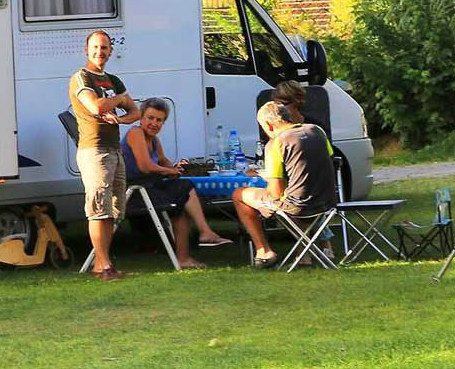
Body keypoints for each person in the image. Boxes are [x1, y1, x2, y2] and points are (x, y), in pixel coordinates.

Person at [124, 97, 232, 269]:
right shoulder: (135, 133)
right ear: (141, 118)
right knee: (184, 188)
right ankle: (205, 232)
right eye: (150, 118)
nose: (154, 123)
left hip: (150, 187)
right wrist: (168, 171)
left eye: (159, 120)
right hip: (136, 192)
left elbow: (162, 160)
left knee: (181, 200)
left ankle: (184, 257)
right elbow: (145, 166)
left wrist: (176, 167)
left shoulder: (154, 140)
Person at [69, 29, 143, 279]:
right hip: (94, 150)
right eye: (95, 48)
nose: (100, 52)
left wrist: (122, 118)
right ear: (86, 50)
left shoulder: (113, 80)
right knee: (98, 207)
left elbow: (136, 112)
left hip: (114, 149)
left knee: (113, 209)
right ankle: (103, 265)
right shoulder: (82, 77)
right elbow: (95, 105)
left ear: (111, 51)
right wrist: (119, 100)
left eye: (104, 48)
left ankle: (104, 263)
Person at [233, 100, 339, 266]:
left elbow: (275, 193)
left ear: (269, 125)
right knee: (301, 194)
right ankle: (304, 256)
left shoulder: (275, 143)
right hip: (327, 202)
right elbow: (323, 162)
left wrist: (267, 184)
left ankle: (264, 251)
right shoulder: (317, 131)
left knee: (239, 194)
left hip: (298, 207)